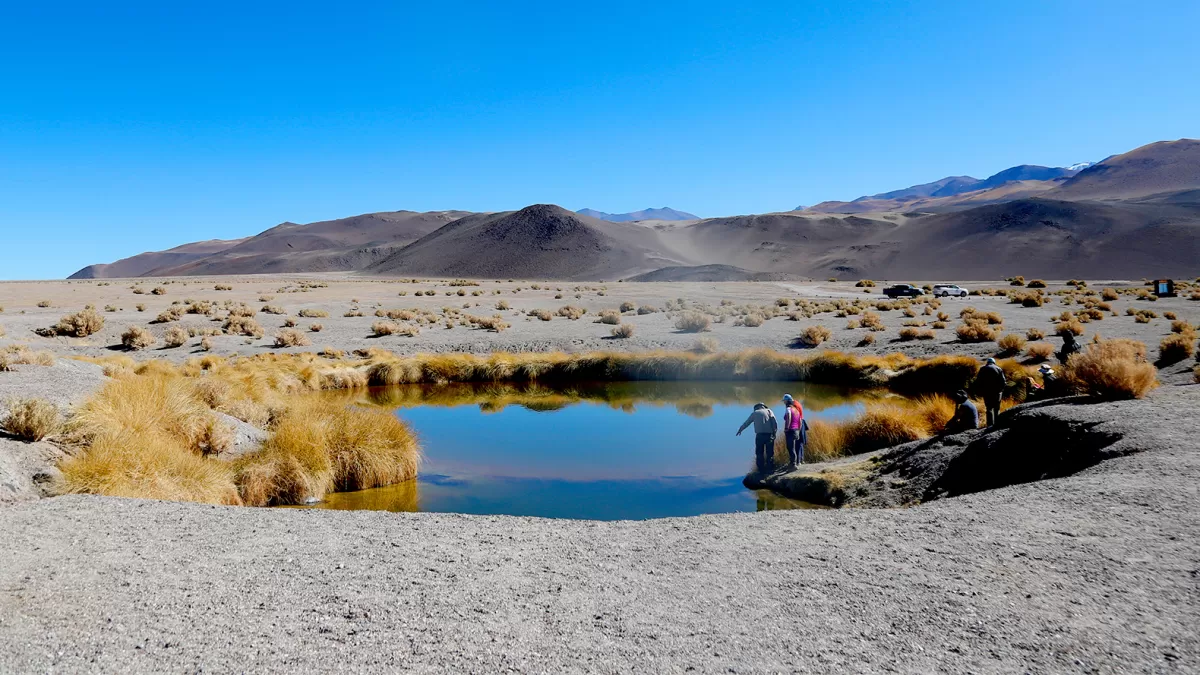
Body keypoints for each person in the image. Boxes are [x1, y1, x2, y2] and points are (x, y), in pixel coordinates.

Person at [736, 403, 778, 474]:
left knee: (759, 453)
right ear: (763, 406)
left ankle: (760, 470)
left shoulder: (754, 413)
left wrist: (740, 430)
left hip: (759, 436)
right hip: (769, 435)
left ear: (756, 408)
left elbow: (747, 423)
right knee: (770, 453)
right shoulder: (769, 411)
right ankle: (770, 469)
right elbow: (774, 422)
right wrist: (774, 432)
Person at [973, 357, 1006, 427]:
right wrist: (1001, 390)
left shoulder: (982, 369)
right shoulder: (998, 369)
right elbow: (1003, 381)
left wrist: (981, 390)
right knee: (997, 408)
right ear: (994, 362)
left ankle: (990, 425)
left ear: (987, 362)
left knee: (989, 409)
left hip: (987, 392)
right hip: (997, 392)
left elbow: (978, 381)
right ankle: (997, 424)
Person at [781, 394, 806, 468]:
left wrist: (786, 428)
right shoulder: (796, 409)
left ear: (787, 401)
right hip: (796, 430)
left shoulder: (788, 409)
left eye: (784, 401)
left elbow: (788, 417)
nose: (783, 402)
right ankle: (799, 461)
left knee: (790, 447)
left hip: (790, 430)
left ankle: (794, 464)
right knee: (796, 446)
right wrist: (798, 429)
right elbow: (800, 421)